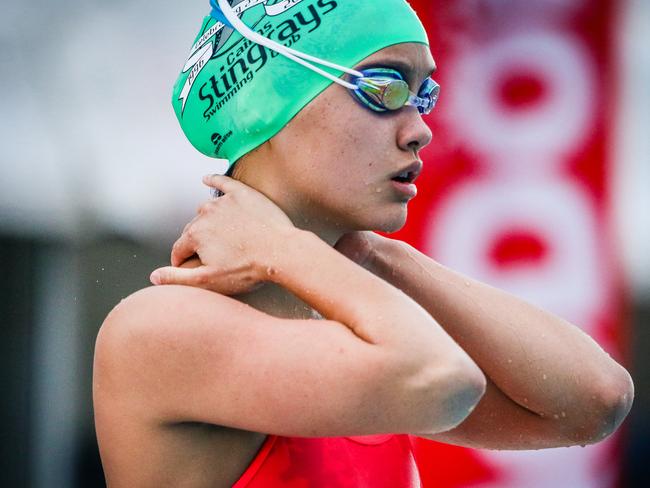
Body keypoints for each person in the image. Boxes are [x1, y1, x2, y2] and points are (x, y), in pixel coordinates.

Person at [92, 1, 635, 486]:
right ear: (269, 102)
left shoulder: (352, 331)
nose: (420, 128)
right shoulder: (158, 330)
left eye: (423, 94)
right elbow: (440, 378)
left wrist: (376, 253)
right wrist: (285, 249)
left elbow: (595, 400)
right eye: (383, 88)